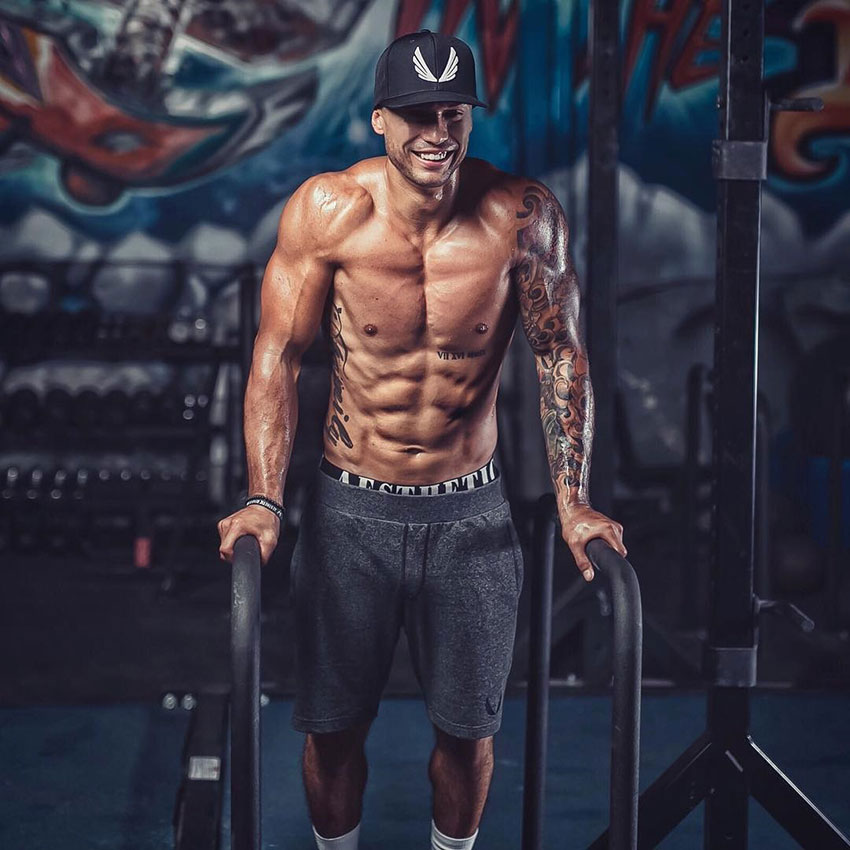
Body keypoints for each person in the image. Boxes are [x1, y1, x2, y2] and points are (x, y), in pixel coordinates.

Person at [218, 28, 626, 850]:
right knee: (331, 733)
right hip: (349, 516)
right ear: (379, 120)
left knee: (468, 736)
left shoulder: (522, 218)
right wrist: (264, 497)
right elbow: (277, 355)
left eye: (452, 112)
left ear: (470, 118)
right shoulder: (328, 212)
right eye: (414, 115)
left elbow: (559, 357)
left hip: (470, 517)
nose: (435, 132)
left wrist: (576, 502)